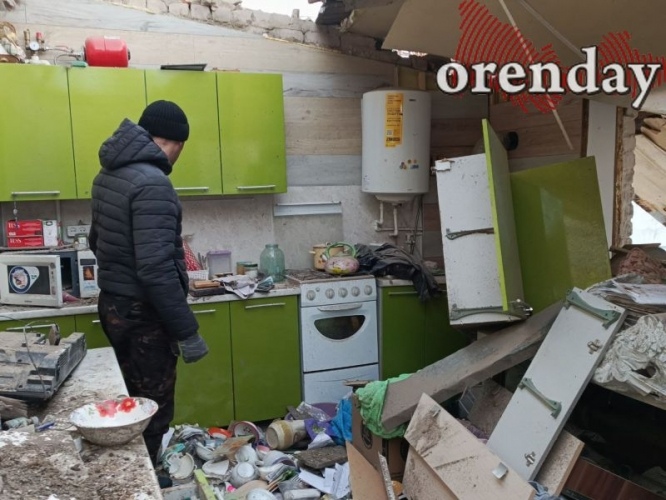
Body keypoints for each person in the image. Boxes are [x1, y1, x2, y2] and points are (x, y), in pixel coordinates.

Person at [89, 100, 209, 465]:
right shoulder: (153, 183)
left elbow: (96, 240)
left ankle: (127, 473)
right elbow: (156, 269)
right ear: (176, 143)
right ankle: (148, 478)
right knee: (152, 409)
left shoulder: (108, 174)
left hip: (114, 306)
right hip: (144, 315)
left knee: (129, 401)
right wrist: (187, 332)